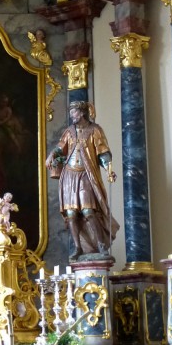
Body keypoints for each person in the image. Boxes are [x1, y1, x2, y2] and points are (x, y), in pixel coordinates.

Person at [46, 101, 119, 259]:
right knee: (71, 213)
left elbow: (103, 152)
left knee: (88, 210)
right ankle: (78, 247)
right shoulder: (69, 131)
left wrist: (109, 170)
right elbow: (61, 148)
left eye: (75, 112)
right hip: (69, 176)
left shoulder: (95, 130)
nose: (72, 115)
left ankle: (101, 245)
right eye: (71, 112)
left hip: (86, 174)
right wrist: (52, 154)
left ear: (83, 113)